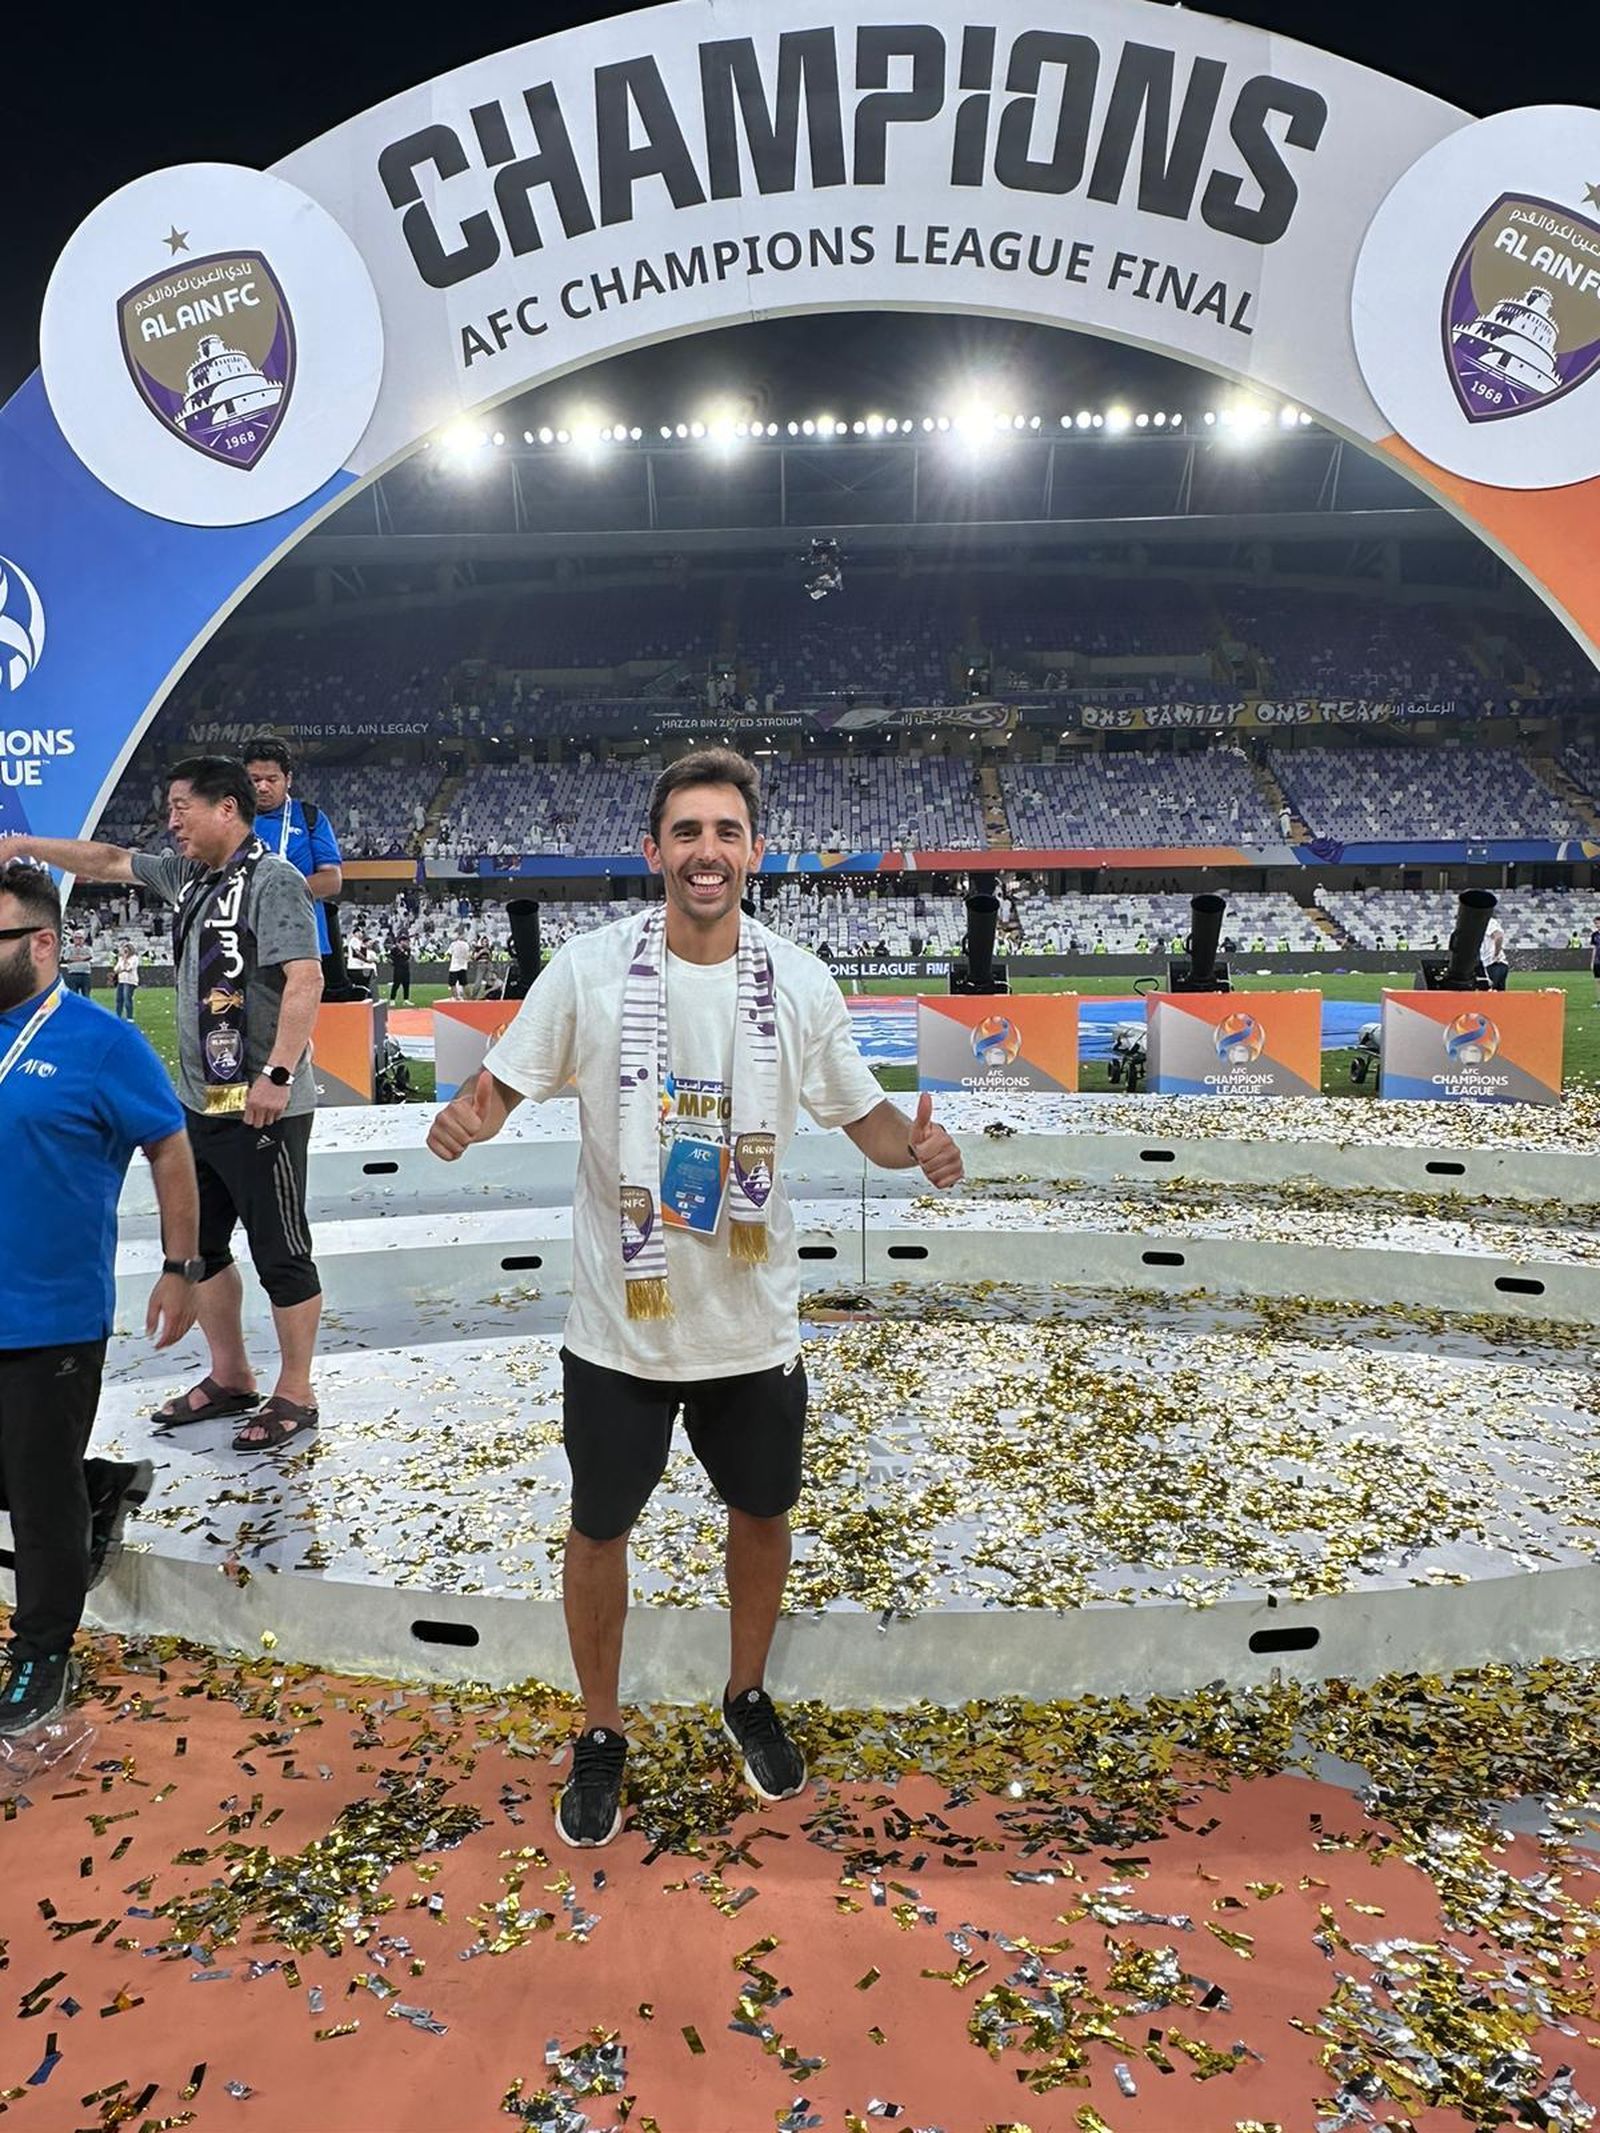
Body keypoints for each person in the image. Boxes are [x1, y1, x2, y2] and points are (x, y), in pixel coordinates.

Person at [427, 746, 964, 1848]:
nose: (705, 852)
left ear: (753, 852)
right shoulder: (584, 970)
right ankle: (601, 1729)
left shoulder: (800, 979)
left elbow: (861, 1117)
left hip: (749, 1320)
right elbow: (503, 1084)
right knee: (598, 1527)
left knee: (761, 1515)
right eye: (686, 833)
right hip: (620, 1325)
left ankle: (745, 1694)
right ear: (653, 852)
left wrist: (916, 1148)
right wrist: (463, 1120)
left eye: (724, 832)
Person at [1, 759, 326, 1453]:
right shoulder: (190, 879)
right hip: (200, 1099)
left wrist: (277, 1071)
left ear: (228, 808)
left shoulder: (275, 882)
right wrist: (26, 848)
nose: (170, 821)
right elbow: (111, 859)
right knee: (204, 1247)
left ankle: (296, 1390)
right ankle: (231, 1372)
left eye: (182, 806)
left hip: (265, 1105)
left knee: (280, 1249)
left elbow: (305, 978)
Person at [0, 859, 202, 1734]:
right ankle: (101, 1488)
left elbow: (168, 1145)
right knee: (28, 1475)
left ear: (41, 943)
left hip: (51, 1315)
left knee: (38, 1499)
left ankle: (42, 1647)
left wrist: (182, 1264)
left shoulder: (102, 1043)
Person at [243, 739, 345, 988]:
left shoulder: (309, 817)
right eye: (255, 779)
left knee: (302, 1020)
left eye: (272, 779)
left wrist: (271, 894)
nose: (263, 787)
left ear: (288, 779)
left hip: (303, 941)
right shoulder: (229, 817)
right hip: (244, 940)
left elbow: (332, 881)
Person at [112, 939, 141, 1021]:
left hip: (130, 981)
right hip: (121, 980)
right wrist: (122, 966)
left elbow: (129, 968)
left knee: (127, 998)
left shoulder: (134, 958)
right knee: (119, 999)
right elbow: (116, 969)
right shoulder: (120, 958)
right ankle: (118, 1016)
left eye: (126, 950)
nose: (125, 952)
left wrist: (125, 962)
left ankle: (129, 1017)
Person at [388, 919, 413, 1006]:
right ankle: (392, 999)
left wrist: (402, 950)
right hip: (398, 968)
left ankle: (406, 999)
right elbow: (391, 958)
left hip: (406, 968)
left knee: (406, 984)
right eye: (403, 940)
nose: (406, 942)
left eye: (406, 940)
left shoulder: (408, 949)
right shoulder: (394, 949)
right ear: (400, 941)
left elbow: (407, 956)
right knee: (396, 984)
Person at [1482, 912, 1509, 991]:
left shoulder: (1489, 922)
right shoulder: (1477, 925)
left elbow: (1499, 936)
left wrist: (1496, 954)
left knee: (1494, 993)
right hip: (1486, 964)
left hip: (1495, 964)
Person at [447, 930, 471, 1000]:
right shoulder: (466, 944)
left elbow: (449, 953)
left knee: (452, 984)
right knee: (464, 983)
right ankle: (468, 998)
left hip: (454, 967)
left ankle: (455, 997)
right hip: (463, 966)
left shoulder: (454, 944)